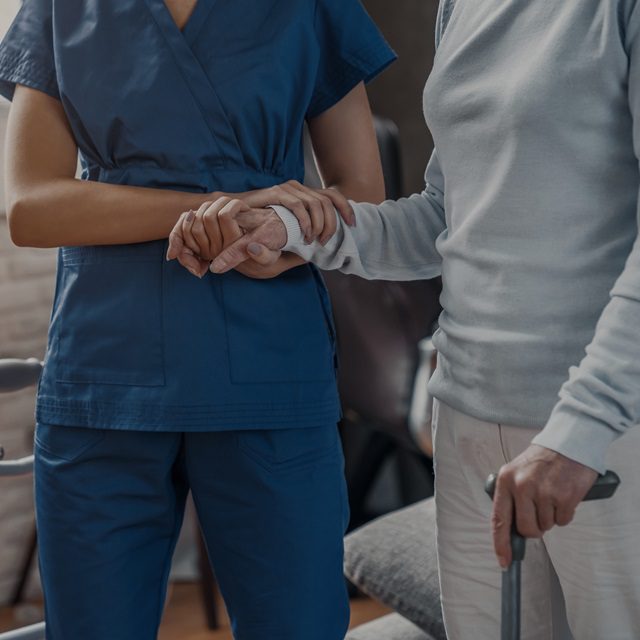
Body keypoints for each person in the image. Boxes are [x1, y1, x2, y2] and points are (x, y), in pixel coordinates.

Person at [189, 0, 640, 638]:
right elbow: (444, 217)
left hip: (604, 431)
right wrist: (298, 232)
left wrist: (582, 431)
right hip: (466, 417)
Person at [0, 0, 396, 638]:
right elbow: (30, 208)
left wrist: (281, 228)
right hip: (107, 375)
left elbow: (364, 202)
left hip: (269, 372)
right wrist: (219, 205)